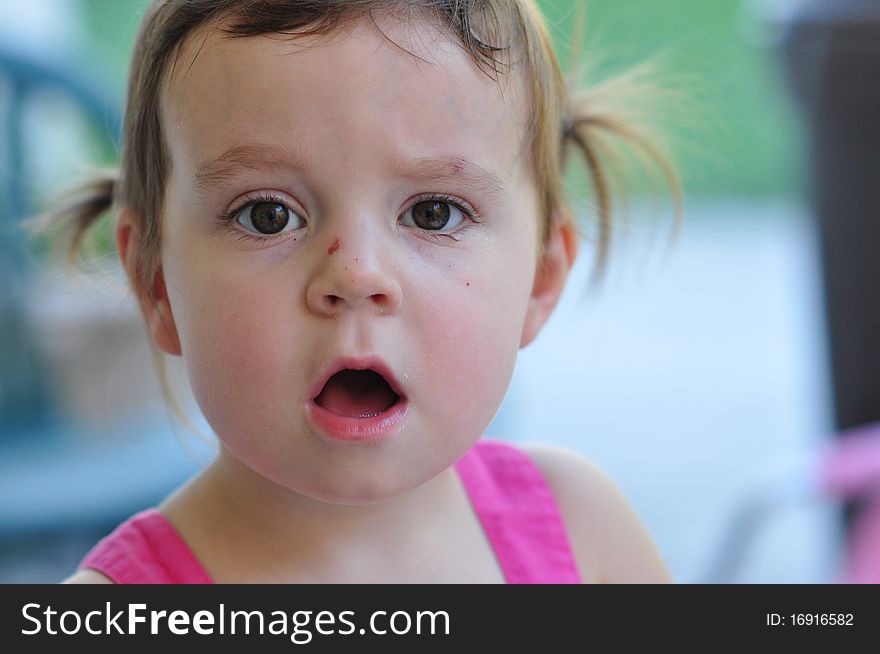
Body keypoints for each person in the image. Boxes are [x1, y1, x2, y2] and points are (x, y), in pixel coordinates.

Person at [56, 0, 678, 584]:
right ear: (156, 281)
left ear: (540, 280)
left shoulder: (585, 537)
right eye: (268, 215)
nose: (355, 276)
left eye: (433, 213)